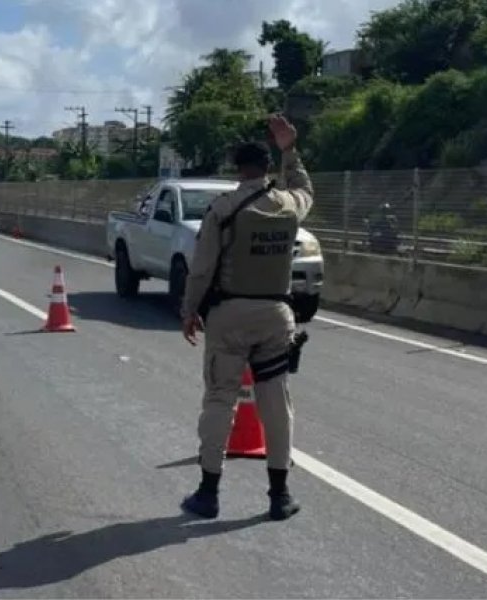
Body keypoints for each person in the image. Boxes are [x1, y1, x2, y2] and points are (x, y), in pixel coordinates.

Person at [179, 114, 314, 522]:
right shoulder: (289, 205)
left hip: (229, 315)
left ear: (238, 169)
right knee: (276, 403)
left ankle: (208, 493)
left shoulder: (222, 209)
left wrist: (189, 311)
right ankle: (279, 495)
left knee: (220, 399)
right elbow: (306, 189)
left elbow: (201, 269)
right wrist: (290, 148)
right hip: (277, 315)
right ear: (268, 168)